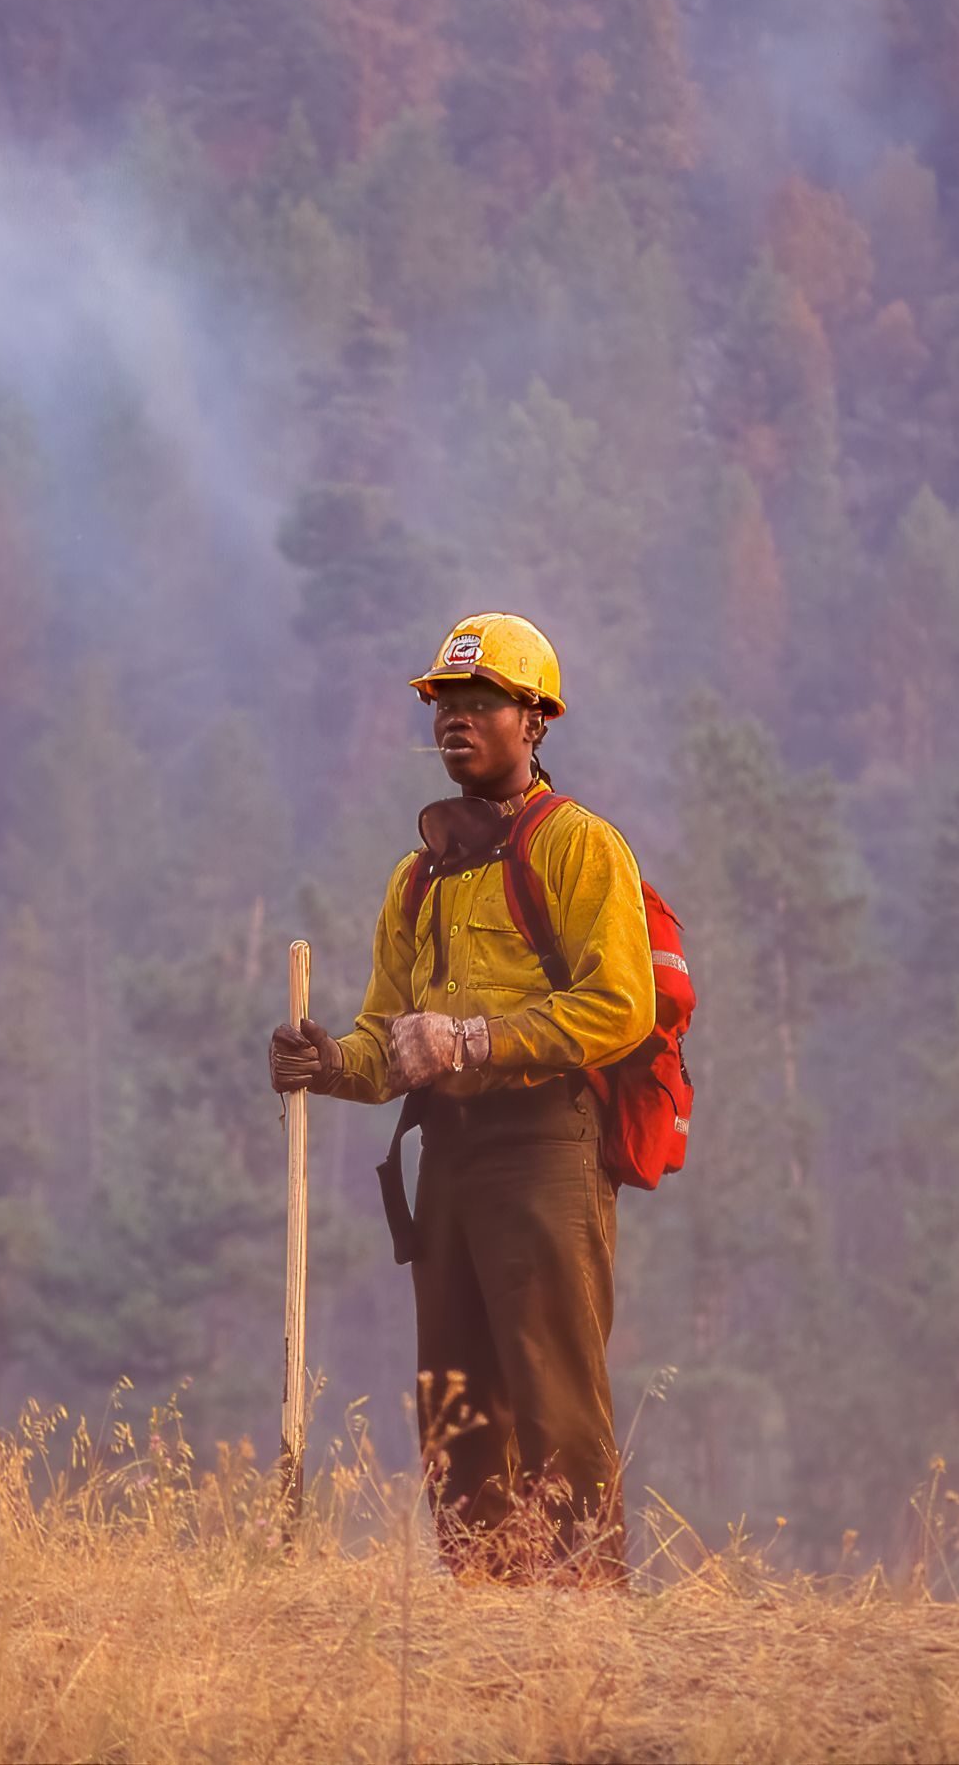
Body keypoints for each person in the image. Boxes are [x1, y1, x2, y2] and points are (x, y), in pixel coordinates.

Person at [269, 612, 655, 1580]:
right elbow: (384, 1040)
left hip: (546, 1151)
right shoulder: (416, 878)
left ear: (535, 721)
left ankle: (581, 1620)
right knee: (455, 1406)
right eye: (444, 704)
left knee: (554, 1399)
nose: (455, 721)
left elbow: (621, 1006)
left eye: (480, 704)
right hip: (446, 1159)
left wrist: (478, 1039)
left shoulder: (577, 847)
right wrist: (326, 1061)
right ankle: (485, 1613)